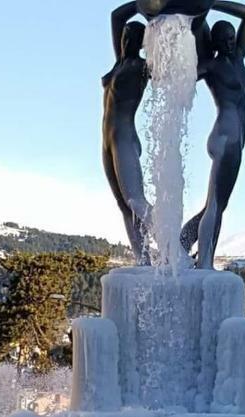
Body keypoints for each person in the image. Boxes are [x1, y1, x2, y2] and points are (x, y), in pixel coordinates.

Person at [181, 2, 245, 269]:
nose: (228, 42)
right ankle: (205, 263)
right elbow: (184, 76)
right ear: (214, 41)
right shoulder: (211, 66)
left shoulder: (238, 58)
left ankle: (181, 244)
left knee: (214, 204)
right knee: (216, 206)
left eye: (231, 37)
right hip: (226, 136)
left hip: (234, 138)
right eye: (222, 39)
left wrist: (212, 2)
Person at [103, 6, 153, 264]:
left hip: (125, 137)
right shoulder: (119, 62)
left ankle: (173, 246)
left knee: (135, 200)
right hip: (108, 140)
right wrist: (142, 5)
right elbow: (116, 16)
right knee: (125, 206)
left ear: (142, 43)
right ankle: (143, 259)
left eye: (131, 39)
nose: (124, 41)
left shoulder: (143, 66)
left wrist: (157, 16)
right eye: (124, 37)